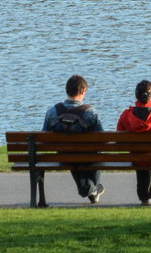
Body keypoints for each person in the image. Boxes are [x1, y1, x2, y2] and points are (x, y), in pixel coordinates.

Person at [44, 74, 104, 203]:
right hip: (88, 158)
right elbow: (102, 140)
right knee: (97, 153)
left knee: (72, 156)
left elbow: (43, 137)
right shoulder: (91, 112)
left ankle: (91, 190)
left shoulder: (52, 111)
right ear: (83, 91)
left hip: (63, 157)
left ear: (66, 90)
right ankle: (92, 189)